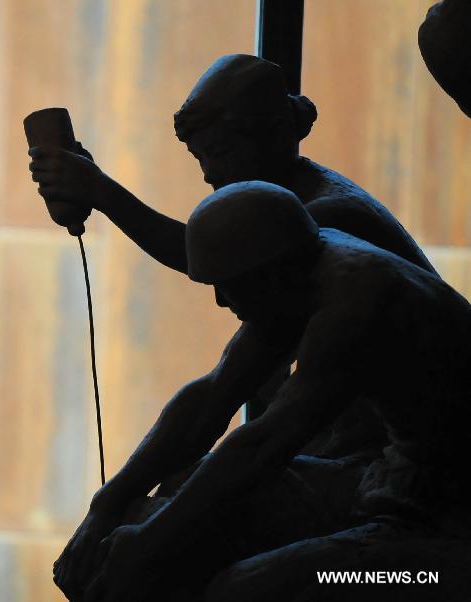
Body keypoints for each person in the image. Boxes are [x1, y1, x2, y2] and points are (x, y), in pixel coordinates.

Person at [54, 182, 471, 602]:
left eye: (229, 286)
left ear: (271, 273)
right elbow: (210, 399)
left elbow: (262, 447)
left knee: (239, 592)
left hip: (443, 522)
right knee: (159, 507)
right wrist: (108, 503)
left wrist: (145, 546)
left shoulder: (358, 305)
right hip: (388, 480)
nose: (219, 301)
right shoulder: (304, 262)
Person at [29, 53, 439, 460]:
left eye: (220, 152)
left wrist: (102, 192)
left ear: (276, 133)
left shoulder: (323, 218)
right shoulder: (300, 191)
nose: (208, 173)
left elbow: (200, 254)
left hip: (397, 454)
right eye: (200, 157)